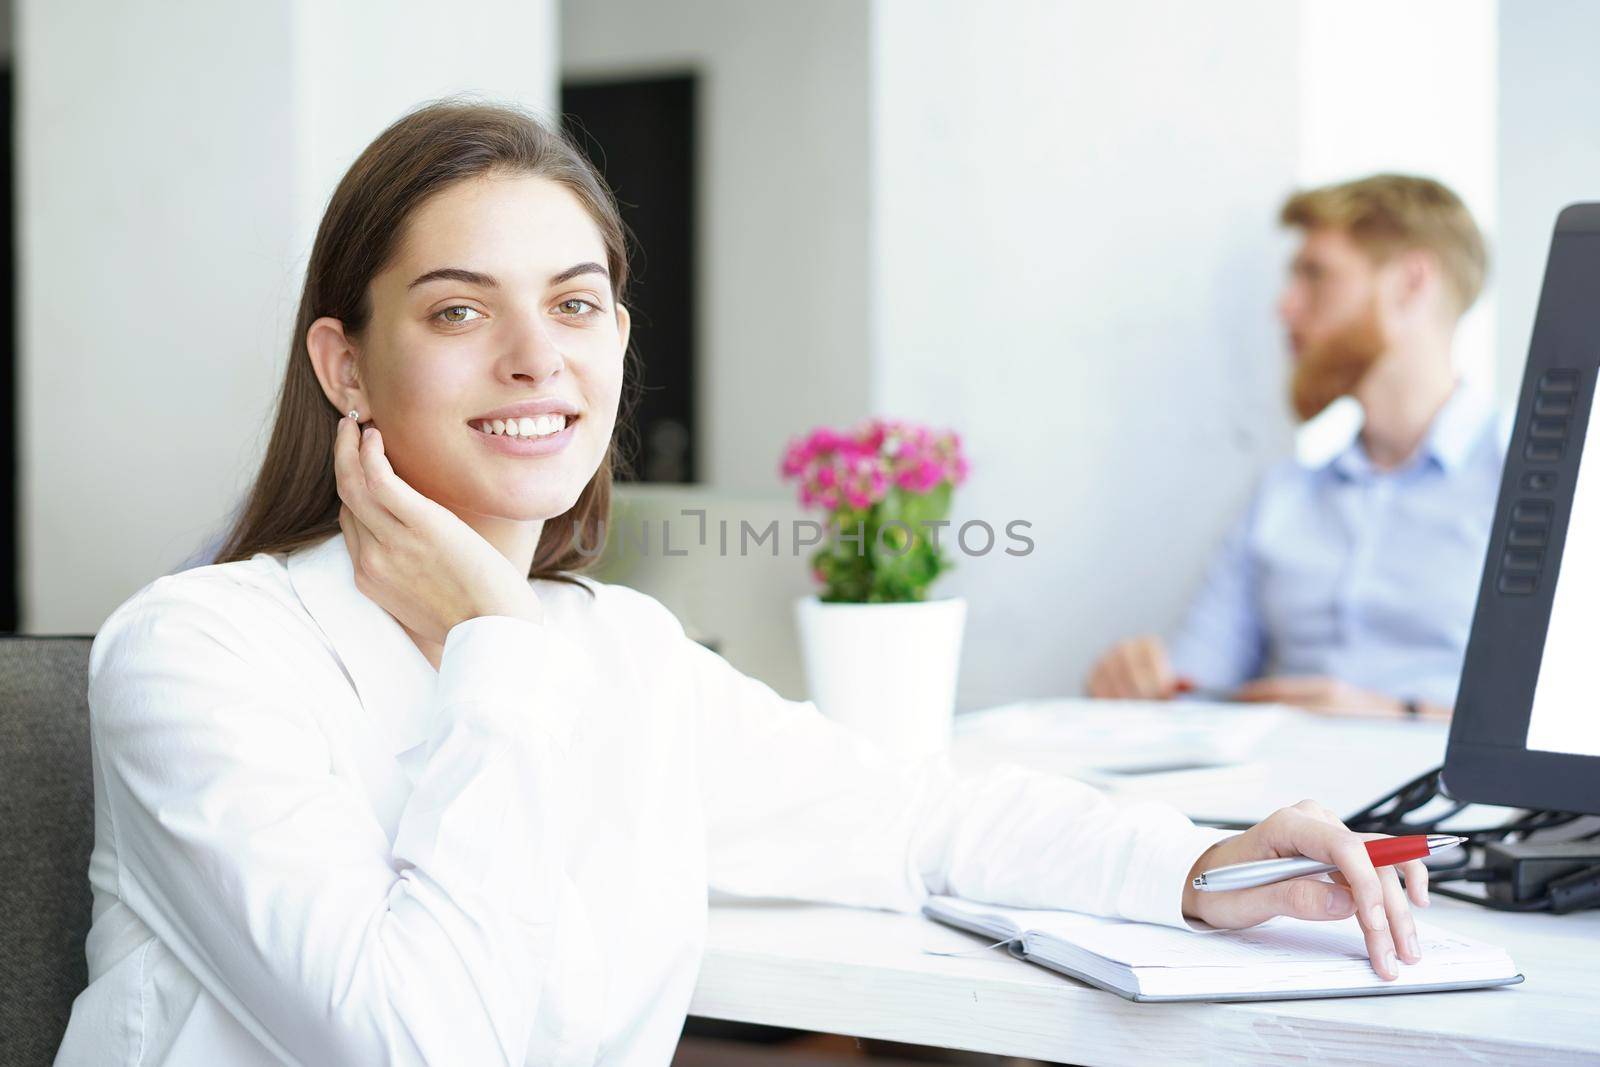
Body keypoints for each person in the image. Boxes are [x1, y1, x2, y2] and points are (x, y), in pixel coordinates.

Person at [56, 102, 1429, 1067]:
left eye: (577, 301)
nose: (539, 355)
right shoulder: (199, 651)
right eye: (462, 309)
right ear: (346, 364)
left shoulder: (619, 651)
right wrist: (493, 641)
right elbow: (421, 1040)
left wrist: (1200, 864)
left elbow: (915, 824)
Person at [1088, 174, 1504, 720]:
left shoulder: (1541, 482)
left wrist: (1400, 715)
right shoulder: (1282, 497)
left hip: (1458, 802)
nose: (1285, 307)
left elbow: (1573, 726)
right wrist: (1142, 685)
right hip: (1278, 794)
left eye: (1316, 275)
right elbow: (1194, 684)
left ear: (1410, 283)